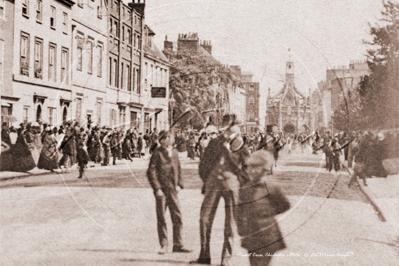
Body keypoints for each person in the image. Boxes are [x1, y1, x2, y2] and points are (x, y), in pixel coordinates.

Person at [191, 115, 250, 266]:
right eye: (228, 126)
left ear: (237, 129)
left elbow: (247, 171)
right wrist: (207, 180)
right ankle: (204, 256)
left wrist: (238, 185)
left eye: (233, 127)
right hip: (213, 183)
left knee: (230, 223)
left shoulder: (242, 145)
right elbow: (204, 163)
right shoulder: (214, 142)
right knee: (204, 218)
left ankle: (226, 259)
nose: (230, 129)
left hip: (231, 185)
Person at [237, 150, 290, 266]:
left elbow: (285, 205)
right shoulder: (245, 188)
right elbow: (239, 209)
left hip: (268, 234)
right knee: (254, 263)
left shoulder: (271, 188)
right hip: (251, 234)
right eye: (250, 167)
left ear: (265, 170)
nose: (252, 170)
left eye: (256, 167)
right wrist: (241, 227)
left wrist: (267, 213)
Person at [147, 130, 192, 255]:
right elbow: (151, 172)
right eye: (165, 138)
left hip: (173, 189)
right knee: (161, 217)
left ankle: (178, 244)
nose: (168, 140)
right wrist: (157, 189)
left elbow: (179, 169)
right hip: (162, 191)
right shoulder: (157, 153)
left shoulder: (175, 153)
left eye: (169, 137)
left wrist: (180, 184)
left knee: (177, 216)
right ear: (161, 140)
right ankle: (164, 245)